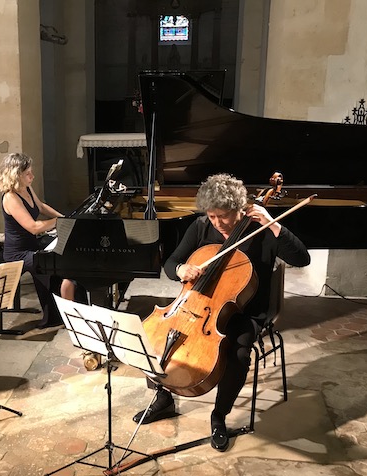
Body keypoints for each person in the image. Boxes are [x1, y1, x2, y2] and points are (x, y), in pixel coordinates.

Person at [133, 173, 310, 452]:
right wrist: (181, 270)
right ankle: (163, 398)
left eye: (223, 216)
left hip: (246, 310)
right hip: (196, 304)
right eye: (212, 216)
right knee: (155, 339)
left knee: (239, 353)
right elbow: (171, 261)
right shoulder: (201, 227)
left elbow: (302, 258)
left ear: (240, 208)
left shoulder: (262, 231)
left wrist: (273, 225)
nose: (217, 223)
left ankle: (219, 416)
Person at [0, 153, 77, 328]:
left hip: (31, 245)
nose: (32, 176)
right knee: (47, 265)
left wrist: (65, 218)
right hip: (17, 253)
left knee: (56, 261)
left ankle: (60, 313)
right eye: (27, 174)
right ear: (16, 175)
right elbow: (33, 227)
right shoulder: (10, 197)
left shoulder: (26, 188)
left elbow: (41, 206)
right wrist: (58, 222)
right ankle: (53, 317)